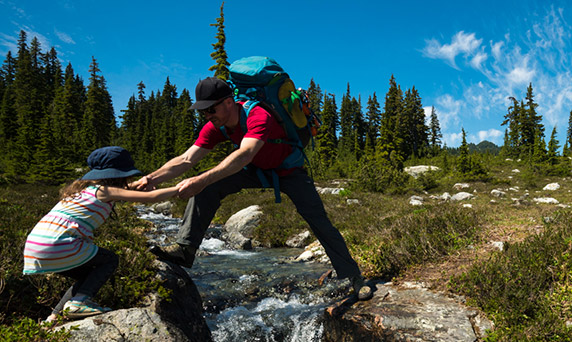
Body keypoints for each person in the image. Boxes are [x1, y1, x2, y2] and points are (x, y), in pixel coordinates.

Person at [137, 76, 373, 300]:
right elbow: (186, 159)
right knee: (207, 187)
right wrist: (151, 178)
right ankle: (185, 249)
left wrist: (202, 180)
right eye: (203, 111)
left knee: (318, 220)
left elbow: (245, 154)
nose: (207, 115)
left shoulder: (257, 115)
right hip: (256, 170)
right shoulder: (215, 125)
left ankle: (354, 277)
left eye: (211, 109)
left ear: (229, 102)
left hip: (288, 171)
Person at [23, 146, 179, 322]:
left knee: (87, 274)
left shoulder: (84, 190)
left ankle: (54, 317)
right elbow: (152, 197)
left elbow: (124, 192)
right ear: (117, 174)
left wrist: (138, 184)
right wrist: (179, 188)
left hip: (36, 245)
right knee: (109, 260)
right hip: (59, 243)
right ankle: (77, 304)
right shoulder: (105, 191)